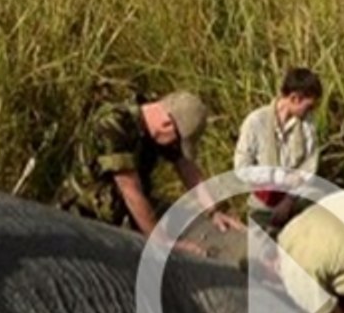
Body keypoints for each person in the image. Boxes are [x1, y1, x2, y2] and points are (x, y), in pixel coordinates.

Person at [60, 89, 238, 249]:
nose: (174, 147)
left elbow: (185, 166)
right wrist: (163, 242)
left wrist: (214, 210)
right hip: (86, 214)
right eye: (177, 141)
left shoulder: (158, 118)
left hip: (123, 211)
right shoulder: (114, 125)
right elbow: (130, 191)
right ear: (166, 125)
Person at [234, 67, 323, 232]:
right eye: (309, 106)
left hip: (294, 199)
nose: (311, 112)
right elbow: (241, 169)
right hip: (262, 201)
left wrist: (288, 201)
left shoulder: (307, 126)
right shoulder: (256, 122)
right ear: (295, 98)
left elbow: (308, 168)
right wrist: (277, 176)